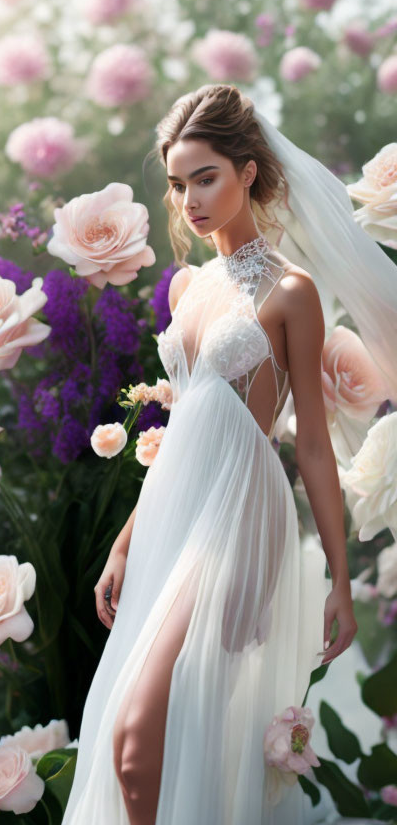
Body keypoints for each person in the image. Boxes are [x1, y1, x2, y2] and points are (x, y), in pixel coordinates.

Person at [60, 84, 397, 825]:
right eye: (178, 184)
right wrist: (124, 543)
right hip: (177, 512)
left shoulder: (290, 291)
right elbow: (183, 430)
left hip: (241, 515)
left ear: (248, 171)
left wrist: (340, 581)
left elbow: (310, 441)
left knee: (136, 738)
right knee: (148, 745)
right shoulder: (189, 288)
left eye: (205, 177)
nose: (190, 199)